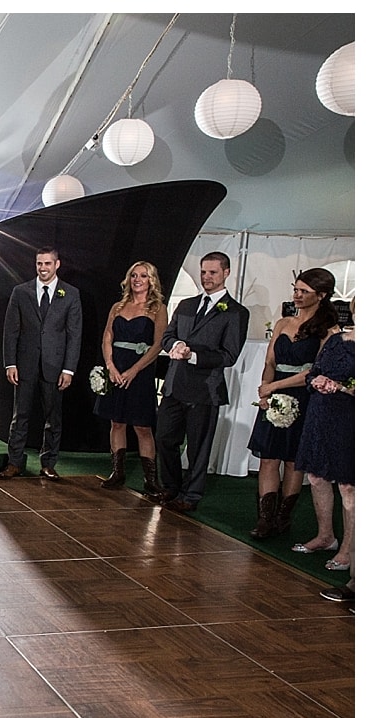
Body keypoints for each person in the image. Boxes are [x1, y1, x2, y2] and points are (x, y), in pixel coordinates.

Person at [152, 251, 250, 512]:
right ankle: (170, 487)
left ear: (226, 273)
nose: (206, 277)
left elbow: (229, 355)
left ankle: (190, 495)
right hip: (174, 385)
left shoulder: (236, 312)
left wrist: (192, 355)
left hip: (205, 389)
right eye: (204, 272)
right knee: (164, 438)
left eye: (213, 272)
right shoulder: (186, 305)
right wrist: (177, 344)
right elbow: (167, 336)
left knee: (198, 447)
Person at [246, 268, 340, 538]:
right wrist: (265, 393)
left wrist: (275, 386)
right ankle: (264, 519)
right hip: (273, 395)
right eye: (295, 289)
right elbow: (270, 362)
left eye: (304, 291)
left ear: (321, 295)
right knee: (268, 457)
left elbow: (316, 372)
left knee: (292, 460)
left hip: (304, 397)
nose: (296, 295)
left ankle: (282, 518)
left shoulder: (328, 331)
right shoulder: (283, 323)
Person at [0, 246, 83, 479]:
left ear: (57, 264)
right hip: (24, 365)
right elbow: (10, 332)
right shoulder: (21, 292)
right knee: (20, 416)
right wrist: (10, 363)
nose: (43, 268)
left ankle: (48, 464)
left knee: (53, 418)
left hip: (55, 367)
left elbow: (75, 335)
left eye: (47, 263)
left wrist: (69, 369)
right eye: (39, 264)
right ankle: (14, 462)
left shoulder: (71, 294)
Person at [293, 322, 354, 600]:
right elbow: (314, 371)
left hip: (349, 417)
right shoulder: (334, 339)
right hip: (321, 413)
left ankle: (349, 552)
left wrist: (341, 387)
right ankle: (326, 536)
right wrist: (316, 380)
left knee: (348, 486)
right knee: (316, 476)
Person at [95, 261, 167, 495]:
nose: (137, 279)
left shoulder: (157, 308)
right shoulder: (118, 306)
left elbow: (158, 345)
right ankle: (118, 473)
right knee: (116, 422)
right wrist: (111, 366)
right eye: (134, 275)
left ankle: (151, 480)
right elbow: (107, 336)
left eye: (143, 276)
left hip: (141, 371)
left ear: (151, 280)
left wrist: (134, 370)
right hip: (116, 368)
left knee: (142, 426)